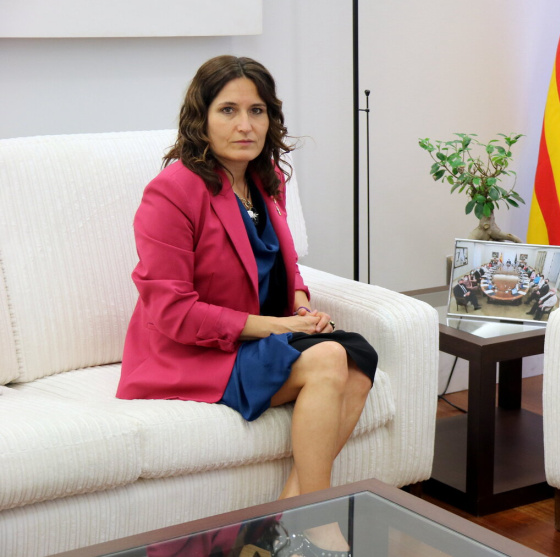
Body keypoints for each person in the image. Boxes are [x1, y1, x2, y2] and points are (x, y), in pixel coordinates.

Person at [117, 55, 376, 557]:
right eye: (228, 110)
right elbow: (172, 310)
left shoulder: (265, 178)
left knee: (358, 357)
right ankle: (318, 524)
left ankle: (273, 528)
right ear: (201, 118)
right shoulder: (171, 191)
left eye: (257, 111)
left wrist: (299, 303)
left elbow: (284, 261)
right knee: (328, 359)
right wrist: (275, 326)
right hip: (190, 351)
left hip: (253, 336)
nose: (245, 125)